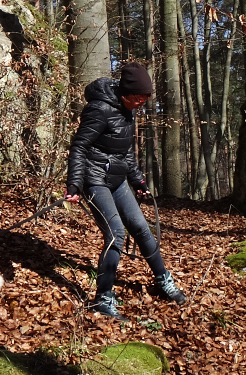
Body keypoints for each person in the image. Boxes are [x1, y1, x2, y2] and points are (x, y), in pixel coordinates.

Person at [65, 62, 188, 319]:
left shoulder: (129, 110)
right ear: (126, 93)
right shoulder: (98, 110)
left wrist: (139, 181)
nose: (142, 103)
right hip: (95, 180)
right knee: (116, 233)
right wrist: (74, 184)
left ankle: (163, 279)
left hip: (118, 180)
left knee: (141, 227)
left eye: (146, 99)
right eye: (139, 98)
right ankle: (103, 298)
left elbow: (125, 153)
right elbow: (79, 147)